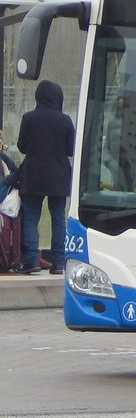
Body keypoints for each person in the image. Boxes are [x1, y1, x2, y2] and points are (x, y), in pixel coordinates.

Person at [16, 80, 74, 275]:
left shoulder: (29, 118)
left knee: (31, 217)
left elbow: (22, 146)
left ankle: (31, 261)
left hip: (34, 174)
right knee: (58, 219)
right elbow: (71, 149)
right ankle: (58, 262)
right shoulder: (65, 120)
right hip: (58, 175)